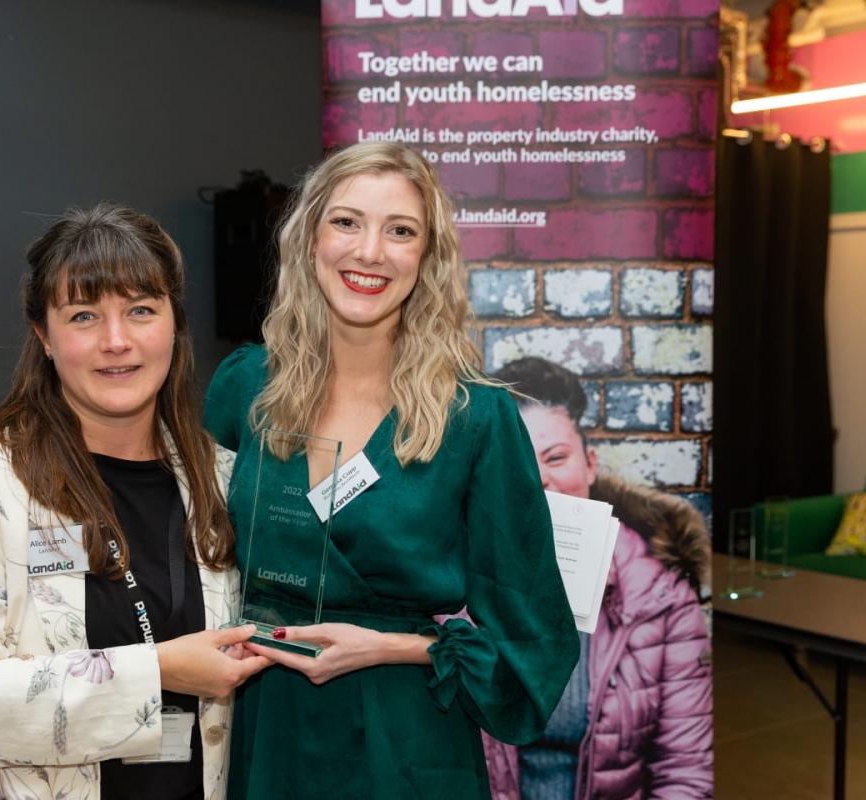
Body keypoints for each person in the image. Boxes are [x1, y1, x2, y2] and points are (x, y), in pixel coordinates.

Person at [203, 142, 579, 800]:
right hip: (265, 733)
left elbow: (535, 639)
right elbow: (199, 567)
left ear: (427, 258)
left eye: (400, 231)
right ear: (309, 235)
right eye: (347, 221)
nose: (369, 251)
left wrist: (393, 647)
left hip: (406, 741)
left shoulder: (476, 419)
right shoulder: (244, 388)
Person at [0, 205, 270, 800]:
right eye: (84, 316)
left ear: (175, 324)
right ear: (44, 336)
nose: (116, 341)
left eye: (141, 310)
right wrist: (157, 671)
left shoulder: (222, 481)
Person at [493, 356, 713, 800]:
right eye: (516, 464)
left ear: (590, 465)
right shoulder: (452, 586)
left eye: (556, 457)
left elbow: (686, 773)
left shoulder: (660, 599)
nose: (538, 481)